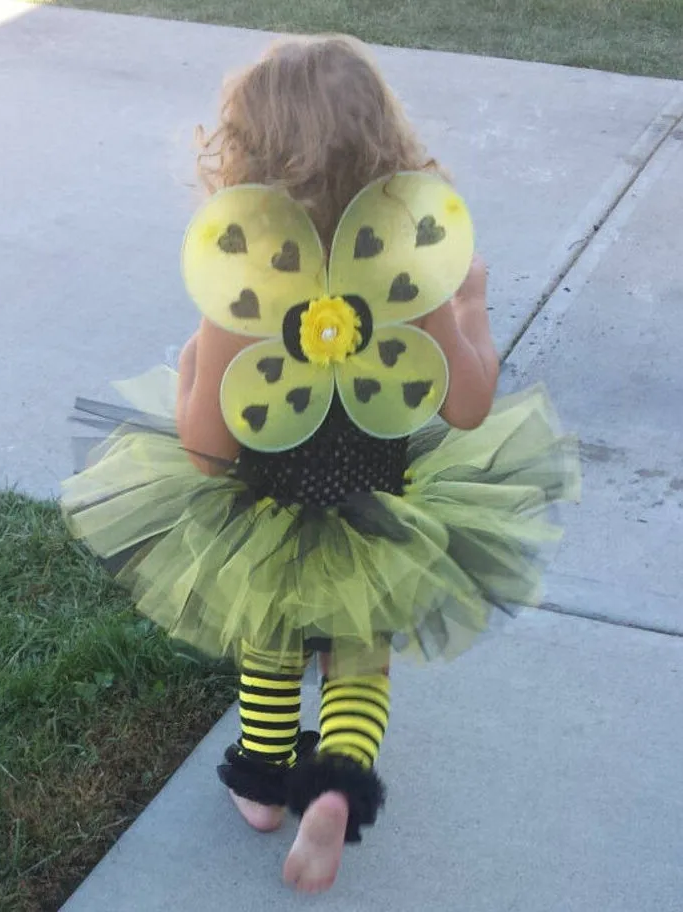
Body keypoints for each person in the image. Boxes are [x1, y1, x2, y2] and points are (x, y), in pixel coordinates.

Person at [62, 35, 580, 894]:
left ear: (243, 163)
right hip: (378, 506)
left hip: (263, 514)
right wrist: (472, 308)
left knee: (267, 644)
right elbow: (468, 406)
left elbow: (202, 448)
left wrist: (198, 357)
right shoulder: (409, 284)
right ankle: (337, 785)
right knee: (358, 656)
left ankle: (265, 788)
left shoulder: (246, 297)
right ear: (389, 148)